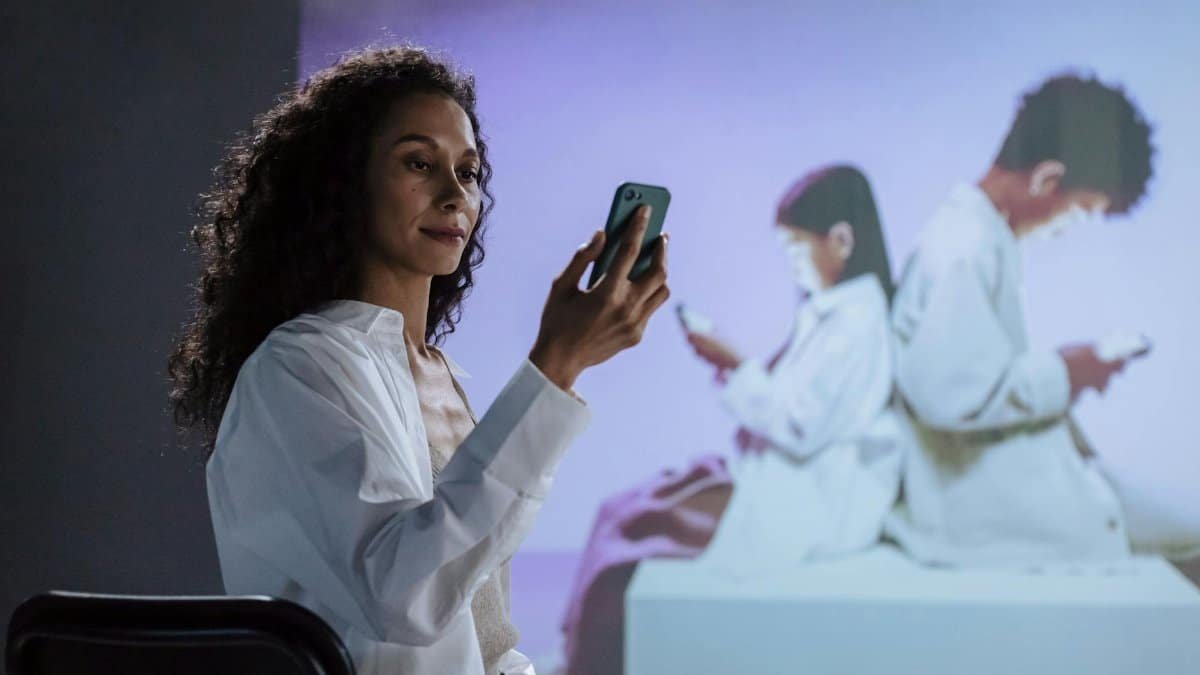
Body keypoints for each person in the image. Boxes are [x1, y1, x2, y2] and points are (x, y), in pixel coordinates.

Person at [167, 47, 670, 675]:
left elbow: (484, 635)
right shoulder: (297, 367)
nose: (454, 193)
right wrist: (556, 363)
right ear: (345, 182)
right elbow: (404, 597)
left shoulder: (445, 378)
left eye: (469, 171)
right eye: (419, 163)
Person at [560, 165, 903, 675]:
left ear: (842, 240)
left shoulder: (859, 322)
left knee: (626, 533)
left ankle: (589, 663)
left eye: (795, 248)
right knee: (621, 510)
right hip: (774, 475)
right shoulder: (832, 311)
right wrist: (735, 365)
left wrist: (733, 363)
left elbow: (802, 428)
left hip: (809, 498)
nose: (791, 265)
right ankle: (579, 657)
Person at [884, 73, 1200, 566]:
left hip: (1013, 477)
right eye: (1078, 213)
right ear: (1047, 180)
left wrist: (1073, 370)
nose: (1065, 231)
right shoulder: (965, 246)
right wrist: (1070, 371)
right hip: (976, 502)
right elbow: (950, 395)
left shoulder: (983, 238)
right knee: (1190, 535)